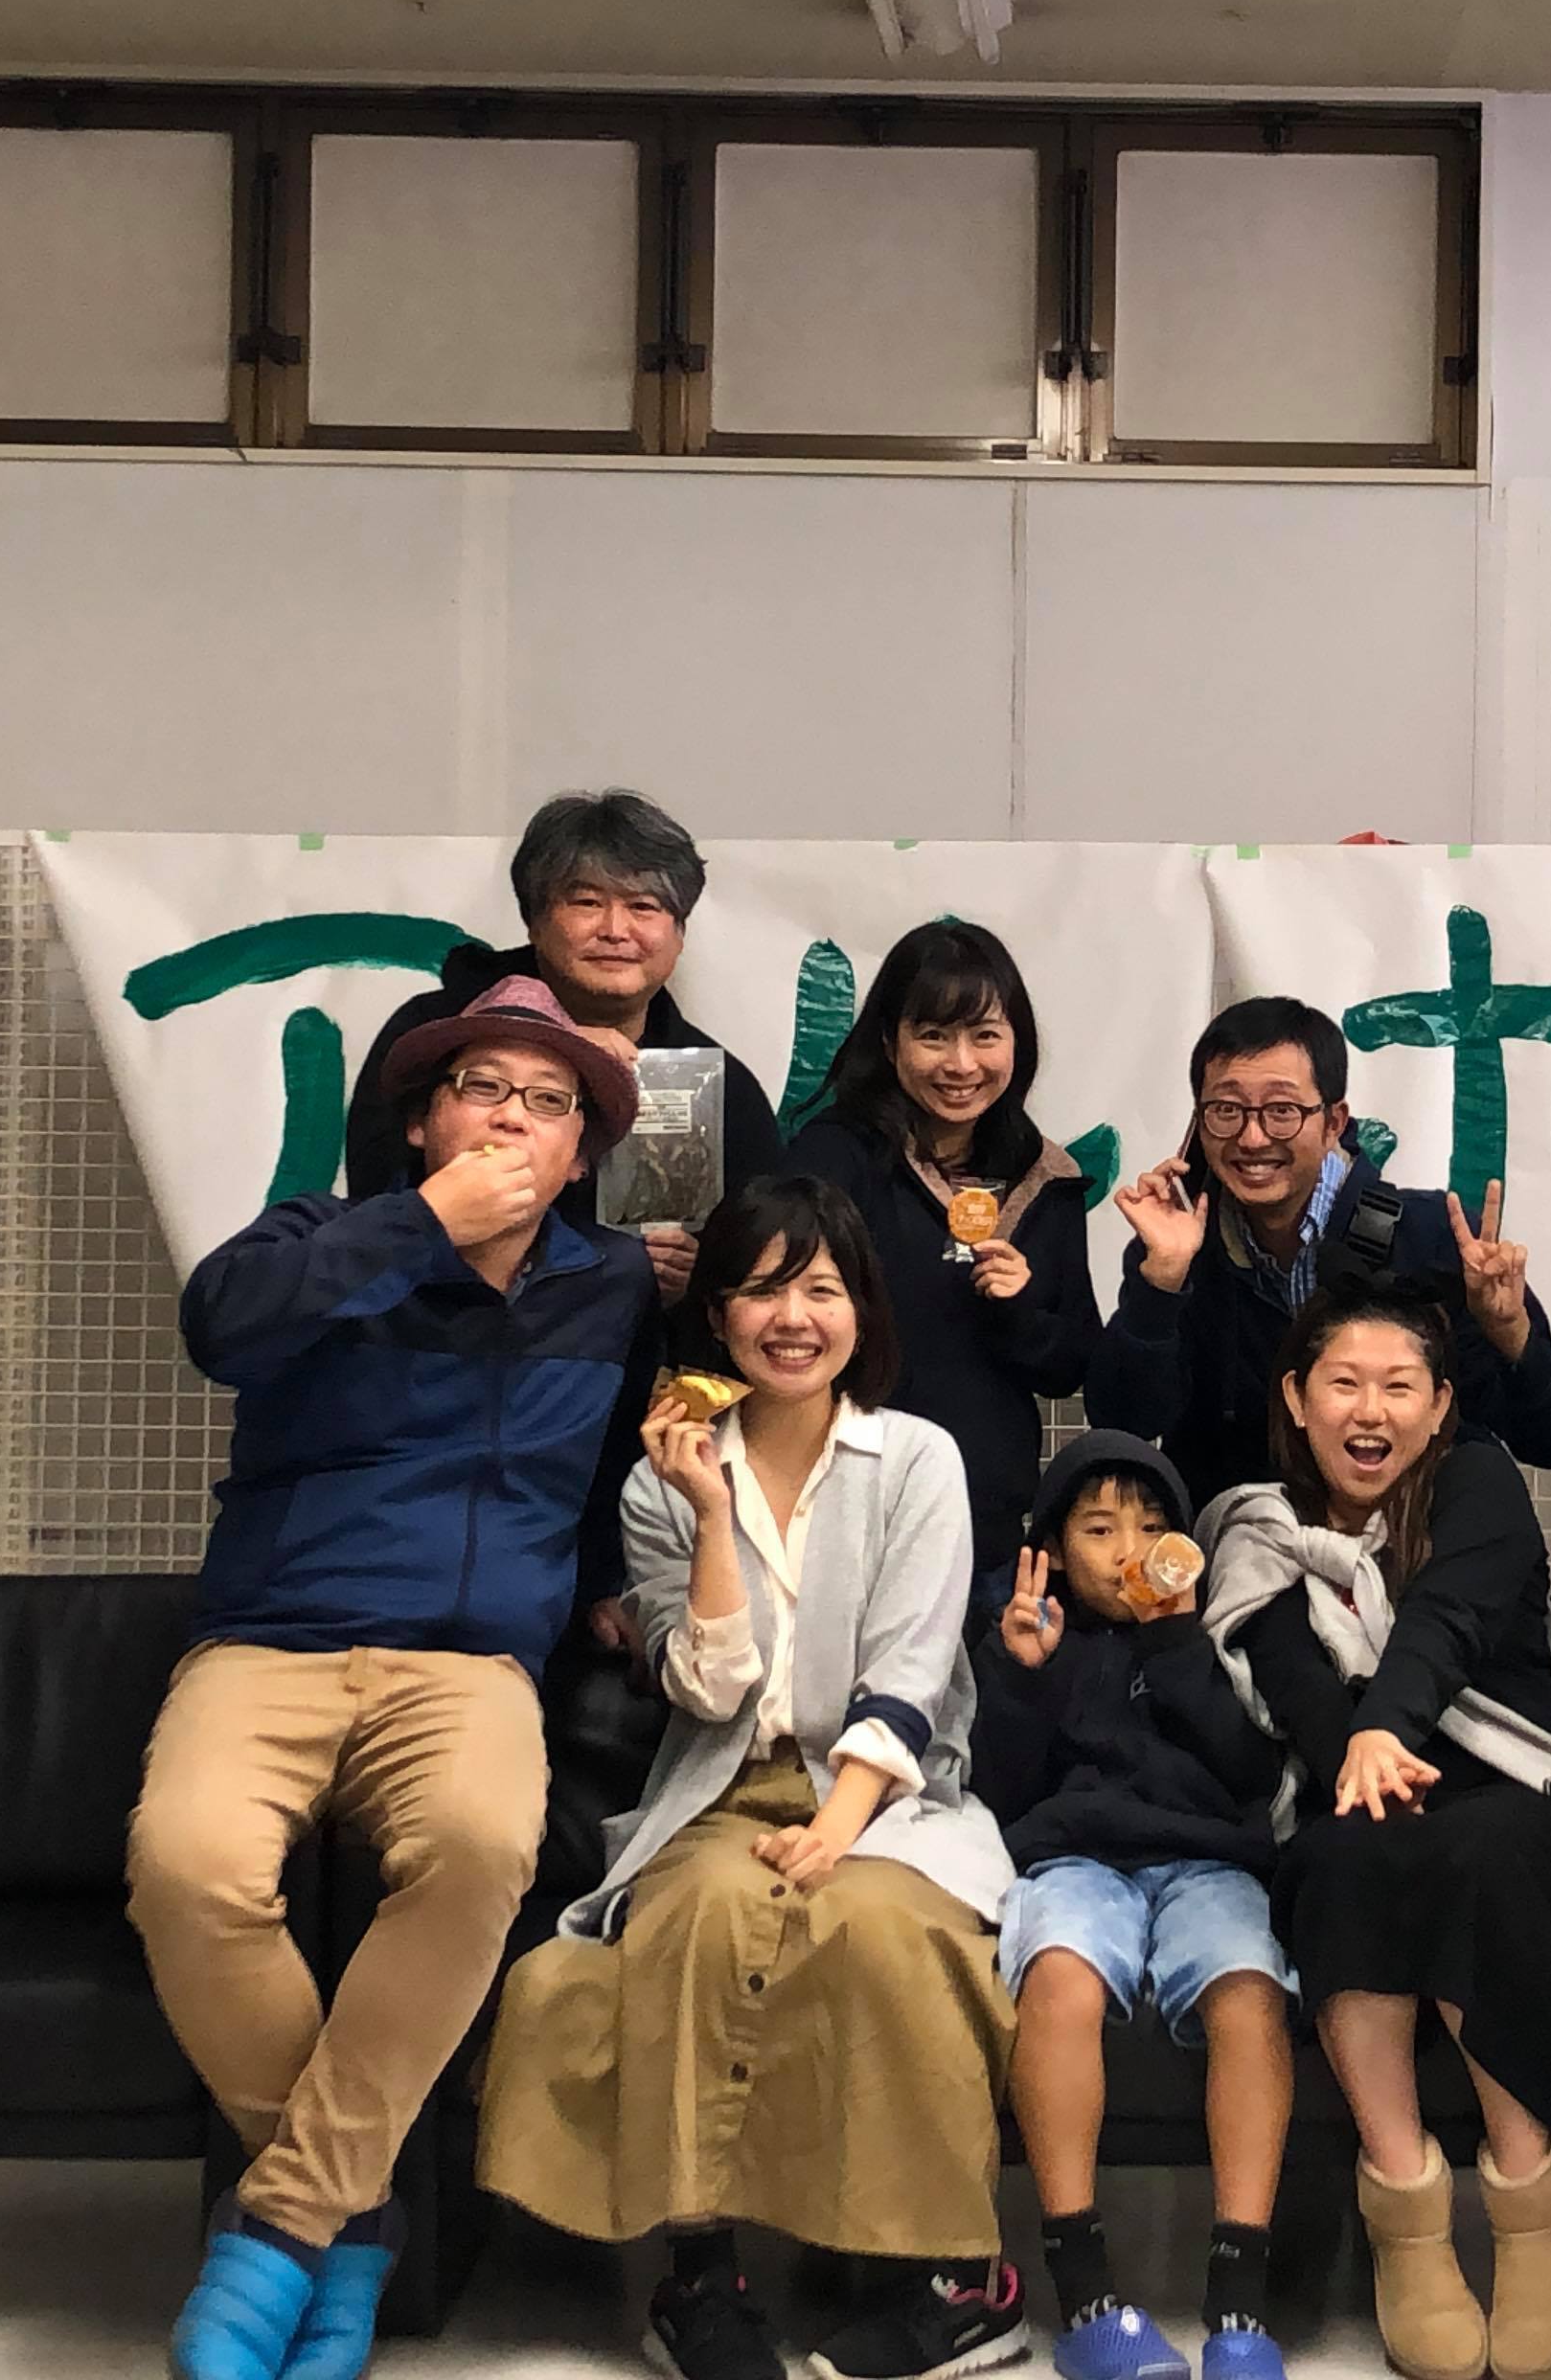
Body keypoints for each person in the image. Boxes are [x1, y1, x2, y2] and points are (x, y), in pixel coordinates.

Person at [128, 975, 652, 2380]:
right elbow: (220, 1328)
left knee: (481, 1846)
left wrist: (616, 1580)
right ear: (424, 1120)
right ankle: (350, 2223)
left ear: (580, 1155)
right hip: (270, 1640)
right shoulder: (317, 1238)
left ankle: (282, 2226)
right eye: (485, 1089)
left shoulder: (607, 1285)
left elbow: (627, 1453)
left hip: (469, 1663)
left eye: (550, 1103)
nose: (515, 1119)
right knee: (187, 1866)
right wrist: (422, 1227)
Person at [475, 1176, 1026, 2380]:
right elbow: (708, 1690)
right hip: (720, 1789)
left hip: (892, 1797)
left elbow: (913, 1667)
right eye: (762, 1289)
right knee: (705, 1916)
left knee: (881, 1929)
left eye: (820, 1289)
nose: (793, 1317)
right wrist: (711, 1515)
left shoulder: (916, 1459)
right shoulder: (659, 1484)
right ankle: (699, 2277)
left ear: (861, 1311)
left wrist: (839, 1826)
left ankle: (957, 2280)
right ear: (717, 1315)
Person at [1204, 1290, 1551, 2380]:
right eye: (1344, 1384)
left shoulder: (1478, 1482)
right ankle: (1405, 2201)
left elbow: (1444, 1622)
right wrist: (1360, 1757)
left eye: (1399, 1387)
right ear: (1296, 1399)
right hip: (1358, 1806)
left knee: (1474, 1849)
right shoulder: (1256, 1531)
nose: (1371, 1410)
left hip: (1526, 1800)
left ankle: (1530, 2189)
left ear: (1441, 1406)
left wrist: (1381, 1732)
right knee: (1341, 1855)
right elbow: (1295, 1687)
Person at [975, 1432, 1296, 2380]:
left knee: (1250, 1991)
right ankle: (1085, 2294)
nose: (1130, 1550)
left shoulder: (1215, 1639)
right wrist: (1023, 1676)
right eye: (1100, 1529)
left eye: (1154, 1528)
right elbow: (994, 1795)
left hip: (1208, 1863)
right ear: (1051, 1548)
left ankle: (1240, 2299)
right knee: (1060, 1981)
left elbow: (1251, 1773)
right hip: (1073, 1859)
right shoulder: (1029, 1641)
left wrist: (1177, 1643)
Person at [1091, 997, 1551, 1517]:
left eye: (1282, 1111)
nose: (1252, 1138)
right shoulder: (1176, 1248)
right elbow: (1124, 1427)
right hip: (1244, 1547)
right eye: (1226, 1110)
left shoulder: (1432, 1238)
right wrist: (1161, 1285)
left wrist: (1510, 1333)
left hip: (1414, 1546)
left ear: (1333, 1122)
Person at [343, 787, 786, 1305]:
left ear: (679, 934)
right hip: (437, 1332)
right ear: (535, 921)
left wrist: (706, 1280)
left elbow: (766, 1257)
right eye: (587, 903)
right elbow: (374, 1210)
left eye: (644, 906)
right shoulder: (432, 1034)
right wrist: (558, 1047)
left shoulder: (721, 1084)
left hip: (637, 1349)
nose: (615, 930)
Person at [786, 920, 1106, 1572]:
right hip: (840, 1516)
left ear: (1017, 1042)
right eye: (933, 1035)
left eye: (985, 1035)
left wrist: (1018, 1309)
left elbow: (1069, 1364)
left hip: (985, 1527)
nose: (961, 1065)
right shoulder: (833, 1160)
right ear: (889, 1041)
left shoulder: (1046, 1178)